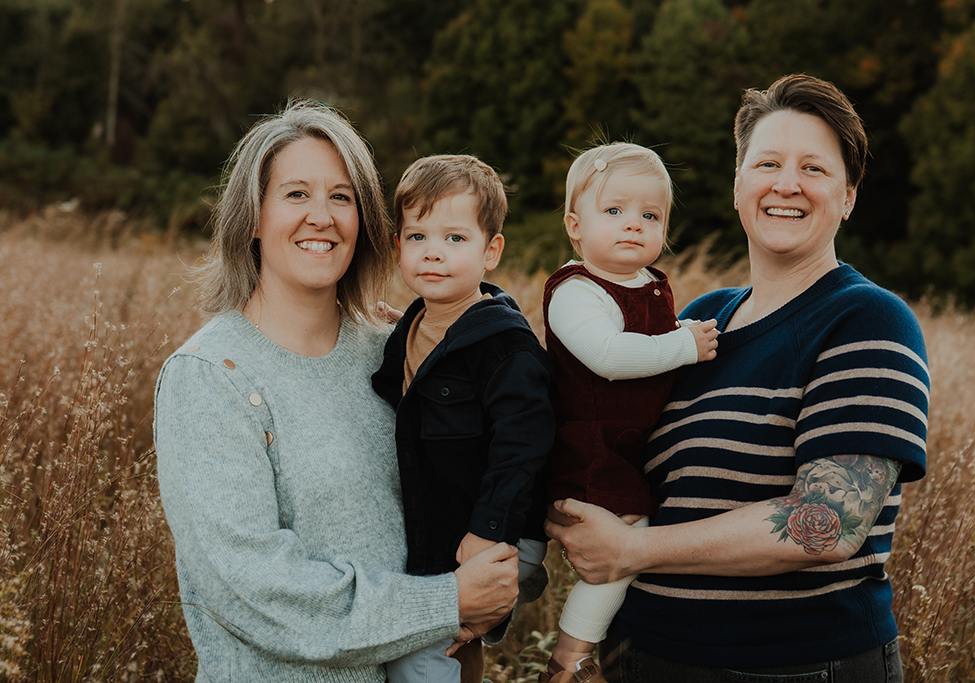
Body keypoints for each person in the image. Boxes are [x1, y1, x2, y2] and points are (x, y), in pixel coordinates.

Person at [545, 74, 930, 683]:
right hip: (642, 654)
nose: (786, 184)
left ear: (850, 196)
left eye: (815, 168)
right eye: (767, 162)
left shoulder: (868, 319)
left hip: (794, 664)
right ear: (737, 184)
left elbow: (827, 525)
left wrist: (631, 550)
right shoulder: (693, 323)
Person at [154, 101, 519, 682]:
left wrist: (489, 594)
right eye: (296, 194)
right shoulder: (210, 375)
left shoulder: (397, 356)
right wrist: (444, 603)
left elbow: (477, 488)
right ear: (252, 216)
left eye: (342, 197)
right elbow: (254, 590)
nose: (321, 216)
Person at [370, 154, 555, 683]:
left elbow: (525, 441)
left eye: (455, 239)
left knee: (422, 656)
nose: (433, 253)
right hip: (441, 525)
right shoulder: (408, 331)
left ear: (490, 250)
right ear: (398, 246)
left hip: (489, 530)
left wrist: (488, 530)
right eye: (417, 237)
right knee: (444, 652)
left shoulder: (504, 346)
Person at [540, 142, 720, 683]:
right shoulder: (576, 291)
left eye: (650, 215)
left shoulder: (651, 284)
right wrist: (685, 345)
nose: (633, 225)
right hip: (591, 445)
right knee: (623, 540)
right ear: (576, 225)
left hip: (630, 444)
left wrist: (679, 337)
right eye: (614, 211)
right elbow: (611, 357)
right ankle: (570, 660)